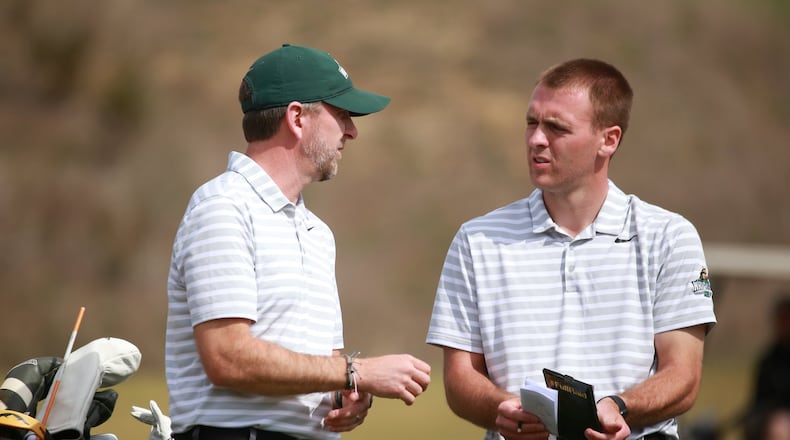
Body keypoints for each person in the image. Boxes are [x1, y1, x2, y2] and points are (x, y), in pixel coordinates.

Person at [426, 58, 717, 440]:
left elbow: (683, 376)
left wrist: (619, 407)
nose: (536, 139)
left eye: (556, 127)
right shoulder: (476, 240)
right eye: (531, 122)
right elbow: (459, 379)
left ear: (608, 140)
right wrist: (503, 408)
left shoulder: (668, 237)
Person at [166, 44, 431, 440]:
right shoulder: (223, 207)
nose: (352, 131)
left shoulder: (317, 232)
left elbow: (324, 363)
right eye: (342, 115)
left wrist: (345, 394)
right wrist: (357, 372)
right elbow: (227, 358)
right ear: (296, 118)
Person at [743, 294, 790, 440]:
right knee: (779, 426)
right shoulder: (770, 359)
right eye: (782, 319)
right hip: (770, 415)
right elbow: (758, 400)